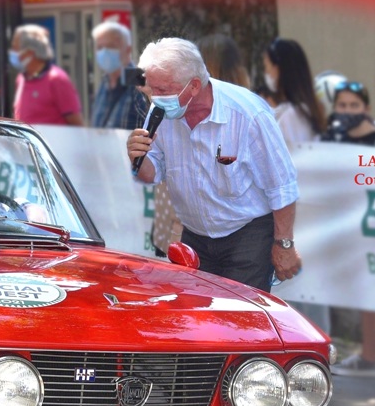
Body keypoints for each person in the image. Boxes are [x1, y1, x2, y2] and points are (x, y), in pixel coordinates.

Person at [125, 37, 302, 292]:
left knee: (241, 322)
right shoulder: (159, 112)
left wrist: (284, 244)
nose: (155, 98)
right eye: (151, 89)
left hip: (246, 235)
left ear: (194, 86)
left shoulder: (248, 115)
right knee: (197, 320)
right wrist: (137, 157)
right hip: (195, 236)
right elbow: (152, 173)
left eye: (163, 90)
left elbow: (282, 185)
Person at [321, 80, 375, 390]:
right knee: (365, 294)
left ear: (367, 109)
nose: (346, 112)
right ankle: (369, 356)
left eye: (353, 106)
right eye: (341, 106)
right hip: (348, 228)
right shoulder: (332, 136)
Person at [10, 24, 83, 126]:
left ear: (30, 53)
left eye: (15, 49)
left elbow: (76, 124)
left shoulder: (57, 79)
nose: (12, 53)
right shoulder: (21, 79)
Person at [262, 38, 323, 145]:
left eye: (267, 66)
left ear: (278, 69)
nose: (266, 72)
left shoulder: (292, 116)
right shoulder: (307, 110)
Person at [89, 20, 148, 129]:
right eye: (100, 47)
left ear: (127, 50)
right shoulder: (105, 82)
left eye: (111, 46)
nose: (105, 52)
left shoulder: (139, 80)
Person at [319, 81, 375, 146]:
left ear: (367, 109)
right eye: (342, 105)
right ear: (334, 108)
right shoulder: (333, 139)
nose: (347, 111)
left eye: (354, 105)